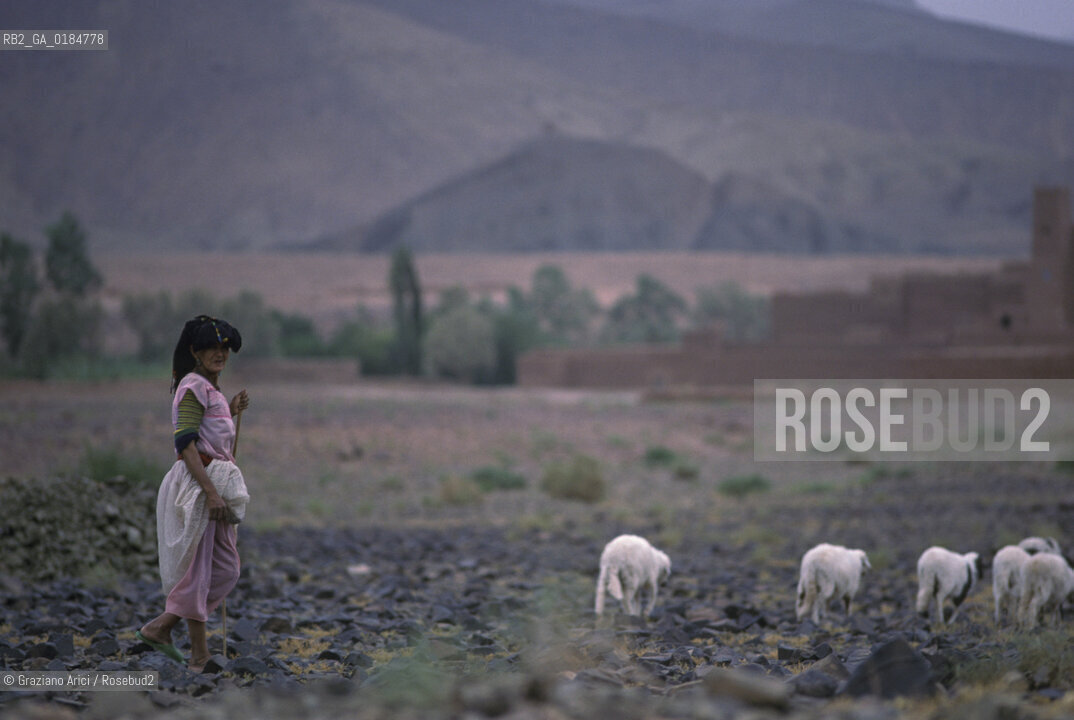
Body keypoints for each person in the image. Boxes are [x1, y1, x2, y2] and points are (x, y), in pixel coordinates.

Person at [136, 315, 250, 672]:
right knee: (198, 570)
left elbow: (212, 434)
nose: (220, 353)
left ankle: (161, 627)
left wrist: (230, 409)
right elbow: (186, 444)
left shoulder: (211, 390)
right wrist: (211, 493)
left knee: (223, 568)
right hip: (197, 485)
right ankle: (199, 656)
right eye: (211, 348)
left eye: (224, 348)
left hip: (211, 483)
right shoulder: (192, 387)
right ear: (194, 352)